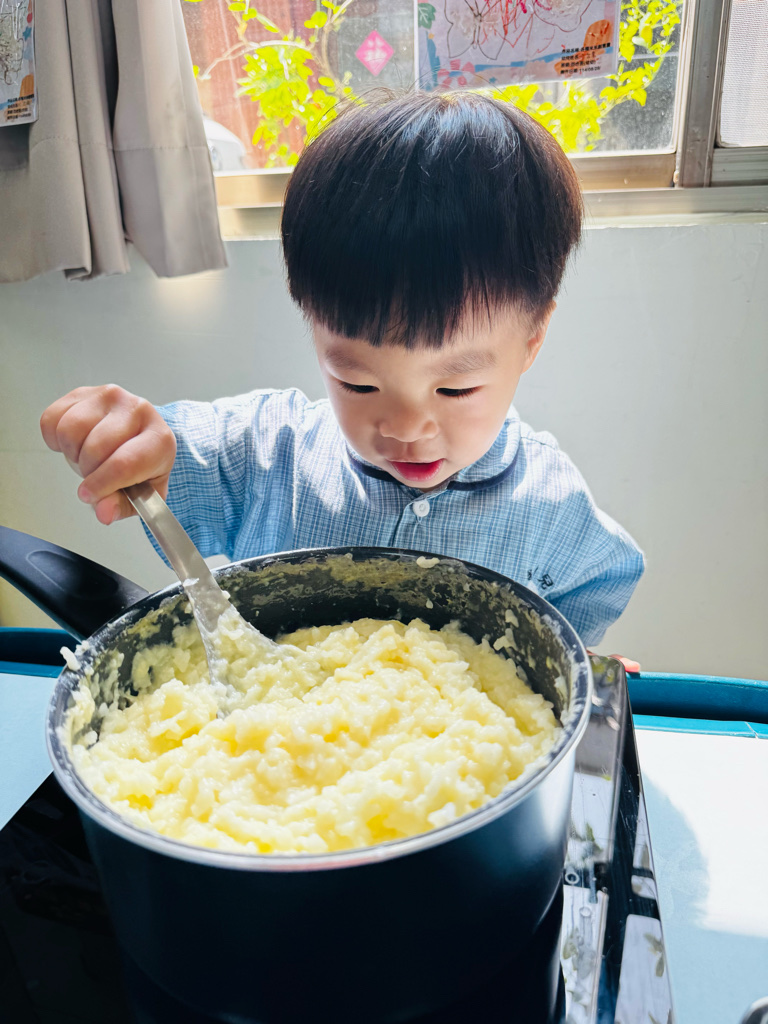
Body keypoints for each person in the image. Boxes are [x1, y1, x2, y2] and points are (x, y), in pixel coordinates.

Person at [40, 91, 644, 649]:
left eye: (455, 387)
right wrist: (130, 438)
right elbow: (177, 454)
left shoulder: (549, 502)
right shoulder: (271, 454)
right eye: (359, 383)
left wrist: (574, 653)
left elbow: (599, 581)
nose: (405, 427)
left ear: (532, 341)